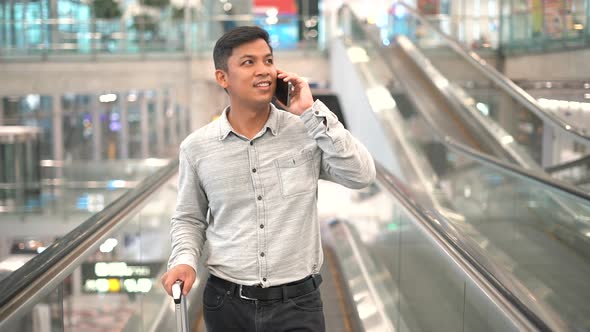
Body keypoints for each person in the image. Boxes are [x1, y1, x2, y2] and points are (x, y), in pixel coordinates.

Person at [161, 26, 375, 331]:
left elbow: (362, 175)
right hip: (226, 303)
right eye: (249, 62)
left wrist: (311, 112)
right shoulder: (197, 147)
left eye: (268, 60)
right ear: (223, 78)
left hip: (298, 305)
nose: (264, 71)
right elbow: (189, 218)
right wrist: (183, 259)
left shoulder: (307, 131)